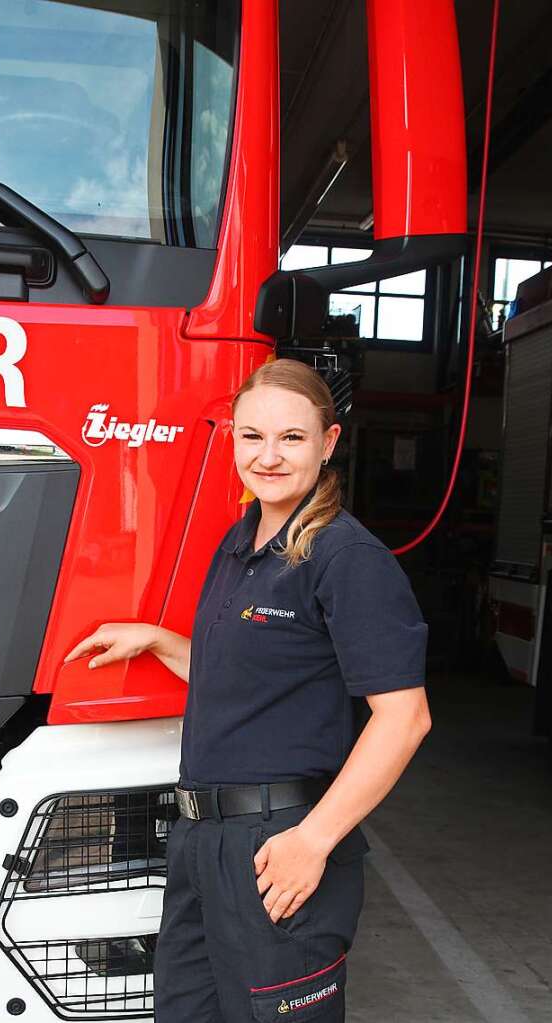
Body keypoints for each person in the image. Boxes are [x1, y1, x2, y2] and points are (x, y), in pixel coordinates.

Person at [63, 359, 431, 1022]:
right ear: (231, 439)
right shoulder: (239, 544)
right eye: (251, 435)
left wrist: (312, 840)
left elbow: (403, 718)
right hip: (202, 842)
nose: (268, 455)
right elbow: (247, 673)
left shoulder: (345, 558)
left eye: (291, 438)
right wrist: (154, 639)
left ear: (328, 442)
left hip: (277, 843)